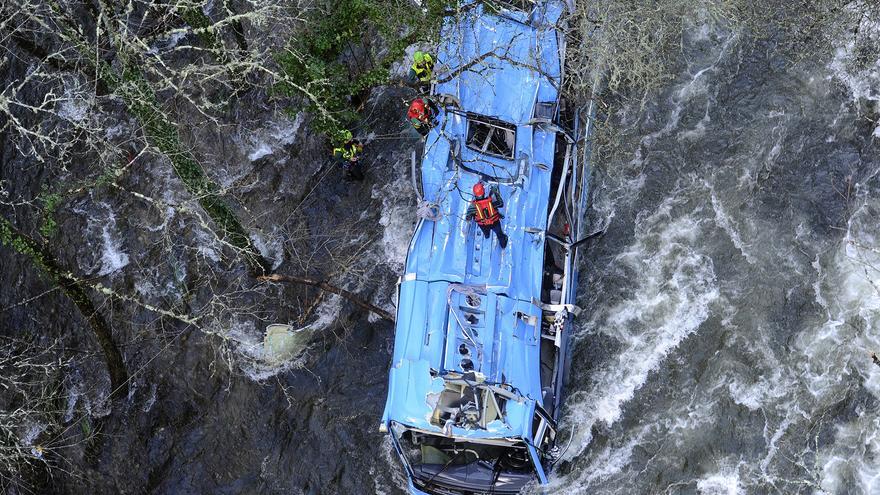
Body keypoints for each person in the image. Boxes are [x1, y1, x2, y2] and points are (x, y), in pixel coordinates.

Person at [466, 182, 508, 249]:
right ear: (484, 192)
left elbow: (468, 217)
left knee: (485, 231)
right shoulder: (490, 201)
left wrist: (474, 216)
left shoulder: (473, 206)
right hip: (495, 223)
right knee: (499, 234)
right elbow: (501, 204)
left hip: (483, 225)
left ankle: (487, 235)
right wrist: (495, 193)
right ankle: (503, 244)